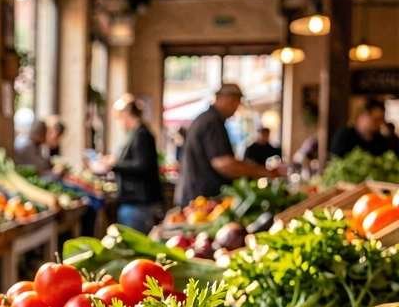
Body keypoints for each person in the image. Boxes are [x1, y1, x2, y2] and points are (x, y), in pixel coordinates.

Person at [176, 83, 283, 207]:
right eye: (238, 103)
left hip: (195, 197)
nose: (237, 108)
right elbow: (224, 164)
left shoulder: (205, 118)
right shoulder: (213, 121)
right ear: (230, 99)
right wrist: (267, 172)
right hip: (201, 201)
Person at [93, 95, 163, 234]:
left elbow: (142, 165)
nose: (119, 122)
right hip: (134, 200)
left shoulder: (141, 135)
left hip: (138, 202)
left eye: (119, 118)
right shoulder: (136, 134)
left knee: (135, 245)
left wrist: (114, 164)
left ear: (126, 115)